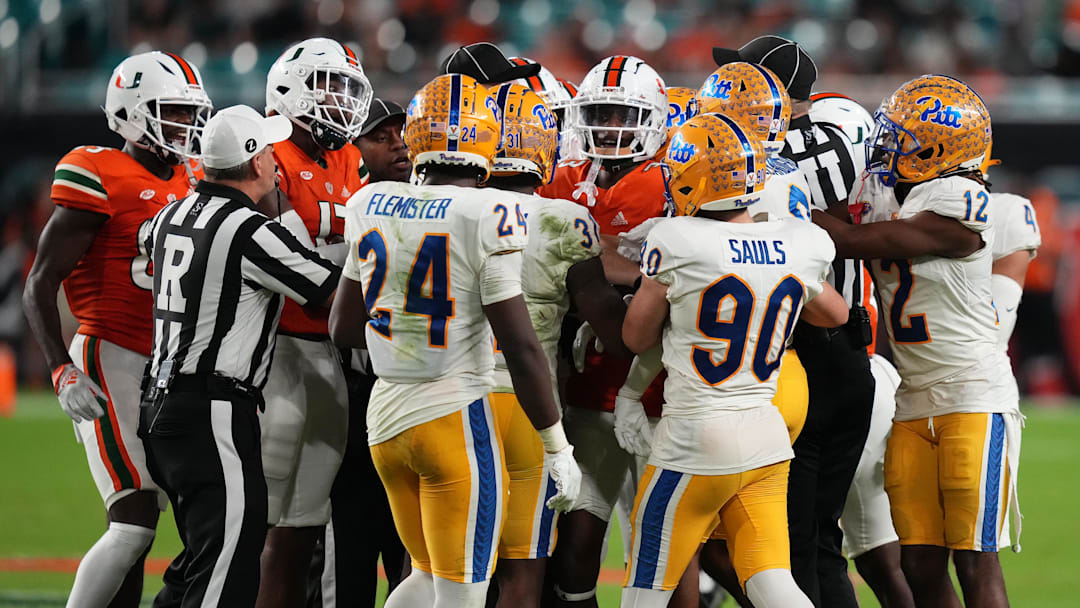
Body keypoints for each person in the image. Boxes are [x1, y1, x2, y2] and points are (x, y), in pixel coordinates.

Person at [329, 73, 581, 608]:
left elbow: (342, 328)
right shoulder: (489, 213)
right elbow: (521, 344)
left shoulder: (371, 201)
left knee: (422, 577)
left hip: (384, 417)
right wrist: (556, 445)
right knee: (462, 593)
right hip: (452, 419)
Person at [621, 112, 847, 608]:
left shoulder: (677, 240)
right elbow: (837, 312)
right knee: (773, 584)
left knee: (644, 591)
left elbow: (636, 338)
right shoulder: (796, 243)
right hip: (766, 433)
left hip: (695, 436)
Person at [814, 74, 1019, 608]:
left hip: (973, 398)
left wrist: (784, 198)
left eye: (902, 136)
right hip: (912, 400)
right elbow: (841, 219)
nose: (887, 145)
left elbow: (851, 239)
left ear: (937, 146)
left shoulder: (962, 199)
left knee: (975, 559)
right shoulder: (893, 191)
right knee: (918, 562)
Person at [21, 51, 211, 608]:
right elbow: (40, 281)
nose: (187, 126)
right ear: (131, 113)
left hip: (173, 364)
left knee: (157, 522)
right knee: (132, 521)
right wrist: (61, 368)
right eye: (173, 112)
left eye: (190, 112)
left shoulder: (195, 175)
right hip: (113, 356)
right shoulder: (99, 171)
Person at [140, 105, 340, 607]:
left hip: (160, 404)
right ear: (254, 163)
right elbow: (327, 290)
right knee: (227, 567)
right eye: (270, 151)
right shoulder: (248, 228)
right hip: (212, 410)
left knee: (201, 558)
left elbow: (144, 250)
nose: (277, 161)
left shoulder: (170, 215)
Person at [713, 35, 874, 607]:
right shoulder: (838, 137)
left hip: (803, 346)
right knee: (812, 541)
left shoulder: (772, 155)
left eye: (739, 79)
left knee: (797, 542)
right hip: (834, 343)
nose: (727, 90)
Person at [532, 54, 674, 608]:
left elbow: (669, 270)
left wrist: (591, 258)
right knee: (574, 543)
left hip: (659, 392)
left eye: (624, 114)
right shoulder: (561, 178)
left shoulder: (671, 181)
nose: (611, 127)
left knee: (659, 545)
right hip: (586, 390)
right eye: (601, 113)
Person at [483, 82, 630, 608]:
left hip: (443, 398)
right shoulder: (564, 220)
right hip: (529, 407)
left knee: (442, 564)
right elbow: (617, 334)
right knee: (524, 570)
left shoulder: (433, 207)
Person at [257, 37, 373, 608]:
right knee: (261, 520)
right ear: (287, 85)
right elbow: (285, 258)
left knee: (304, 521)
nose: (341, 100)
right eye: (329, 84)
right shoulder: (267, 151)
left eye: (349, 88)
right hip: (272, 347)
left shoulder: (350, 157)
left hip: (330, 350)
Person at [309, 97, 411, 608]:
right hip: (360, 393)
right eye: (381, 136)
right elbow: (341, 323)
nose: (397, 143)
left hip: (412, 393)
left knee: (411, 554)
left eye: (402, 132)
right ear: (355, 148)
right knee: (348, 550)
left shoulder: (430, 199)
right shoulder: (355, 209)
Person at [353, 99, 410, 183]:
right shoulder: (344, 194)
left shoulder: (432, 190)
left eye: (403, 134)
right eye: (382, 138)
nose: (399, 144)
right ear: (354, 147)